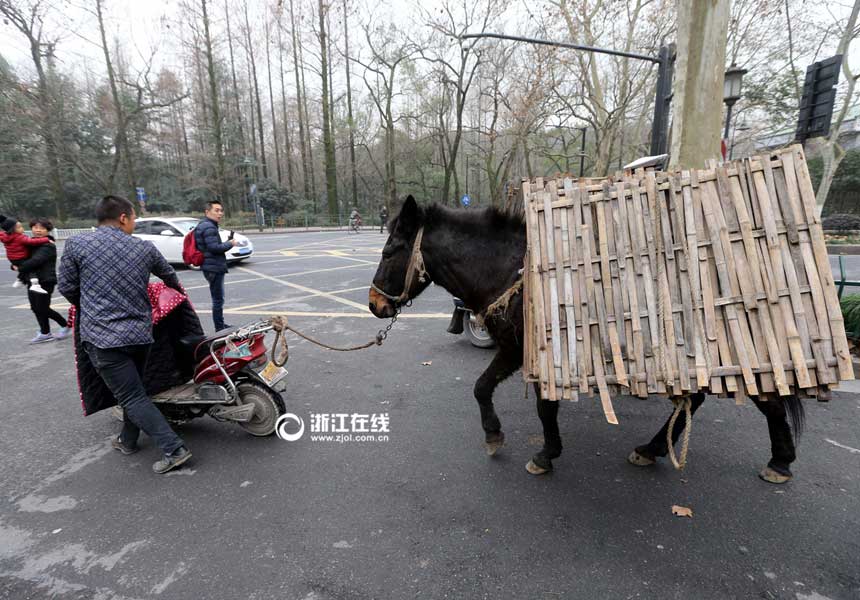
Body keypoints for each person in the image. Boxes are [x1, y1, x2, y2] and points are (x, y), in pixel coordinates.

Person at [58, 195, 192, 474]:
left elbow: (67, 287)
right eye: (132, 218)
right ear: (122, 217)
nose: (133, 223)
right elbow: (170, 277)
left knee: (131, 396)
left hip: (103, 337)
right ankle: (127, 440)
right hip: (141, 335)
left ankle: (174, 449)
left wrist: (91, 304)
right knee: (135, 392)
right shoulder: (143, 247)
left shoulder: (77, 244)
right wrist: (177, 300)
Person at [11, 218, 71, 343]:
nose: (38, 230)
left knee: (42, 308)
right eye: (35, 227)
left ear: (47, 230)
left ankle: (65, 325)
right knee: (35, 307)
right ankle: (45, 333)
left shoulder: (48, 245)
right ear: (31, 228)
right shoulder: (30, 242)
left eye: (42, 228)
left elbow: (35, 261)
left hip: (45, 280)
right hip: (31, 280)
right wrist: (14, 265)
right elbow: (22, 257)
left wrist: (19, 267)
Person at [194, 200, 237, 332]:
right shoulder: (208, 227)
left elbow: (210, 246)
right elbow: (214, 248)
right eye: (216, 210)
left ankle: (220, 325)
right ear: (207, 212)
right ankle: (219, 327)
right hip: (213, 267)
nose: (220, 213)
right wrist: (230, 244)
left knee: (217, 298)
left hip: (210, 266)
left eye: (221, 210)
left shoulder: (205, 225)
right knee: (218, 299)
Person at [0, 214, 51, 294]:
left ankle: (20, 280)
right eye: (19, 227)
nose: (22, 228)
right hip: (21, 257)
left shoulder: (5, 236)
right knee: (31, 268)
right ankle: (35, 284)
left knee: (24, 266)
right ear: (13, 229)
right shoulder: (19, 237)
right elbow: (32, 242)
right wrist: (46, 239)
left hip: (13, 258)